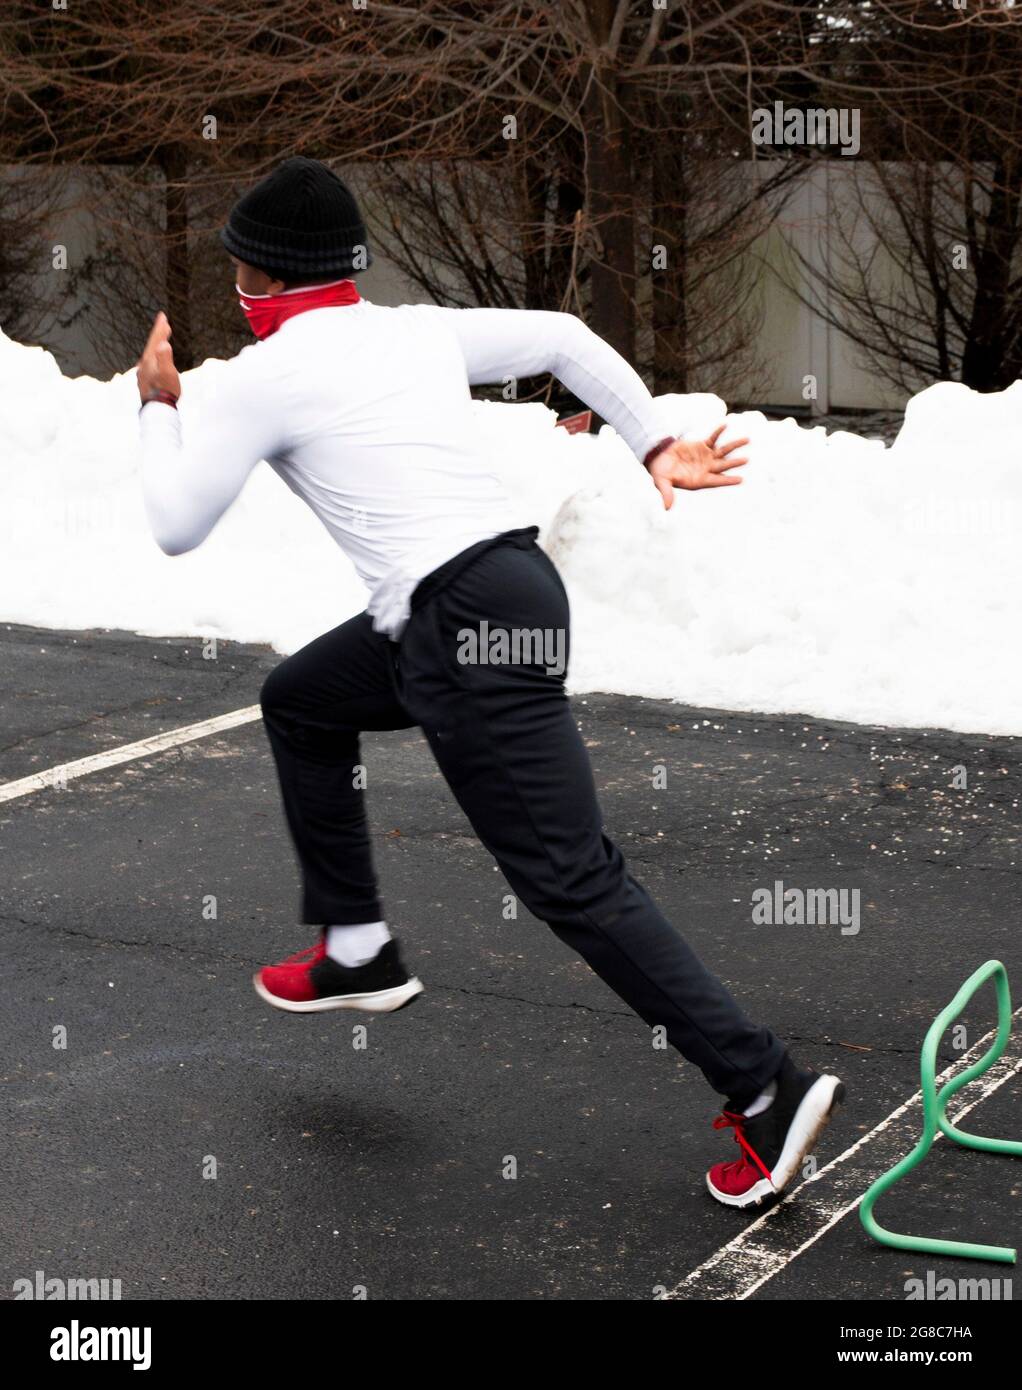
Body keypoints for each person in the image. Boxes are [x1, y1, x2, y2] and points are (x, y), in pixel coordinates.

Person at [135, 156, 843, 1209]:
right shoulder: (414, 329)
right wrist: (648, 438)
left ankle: (762, 1089)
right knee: (301, 700)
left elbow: (174, 527)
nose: (237, 294)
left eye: (239, 274)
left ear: (262, 281)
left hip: (456, 624)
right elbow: (560, 338)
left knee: (570, 880)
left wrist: (154, 407)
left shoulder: (255, 380)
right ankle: (357, 946)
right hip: (508, 590)